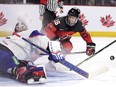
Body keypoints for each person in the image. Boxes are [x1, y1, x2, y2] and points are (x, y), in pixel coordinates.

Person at [0, 29, 65, 84]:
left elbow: (43, 39)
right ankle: (18, 71)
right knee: (11, 64)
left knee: (14, 64)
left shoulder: (34, 38)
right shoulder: (17, 40)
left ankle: (19, 70)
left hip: (10, 55)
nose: (21, 28)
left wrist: (55, 50)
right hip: (6, 51)